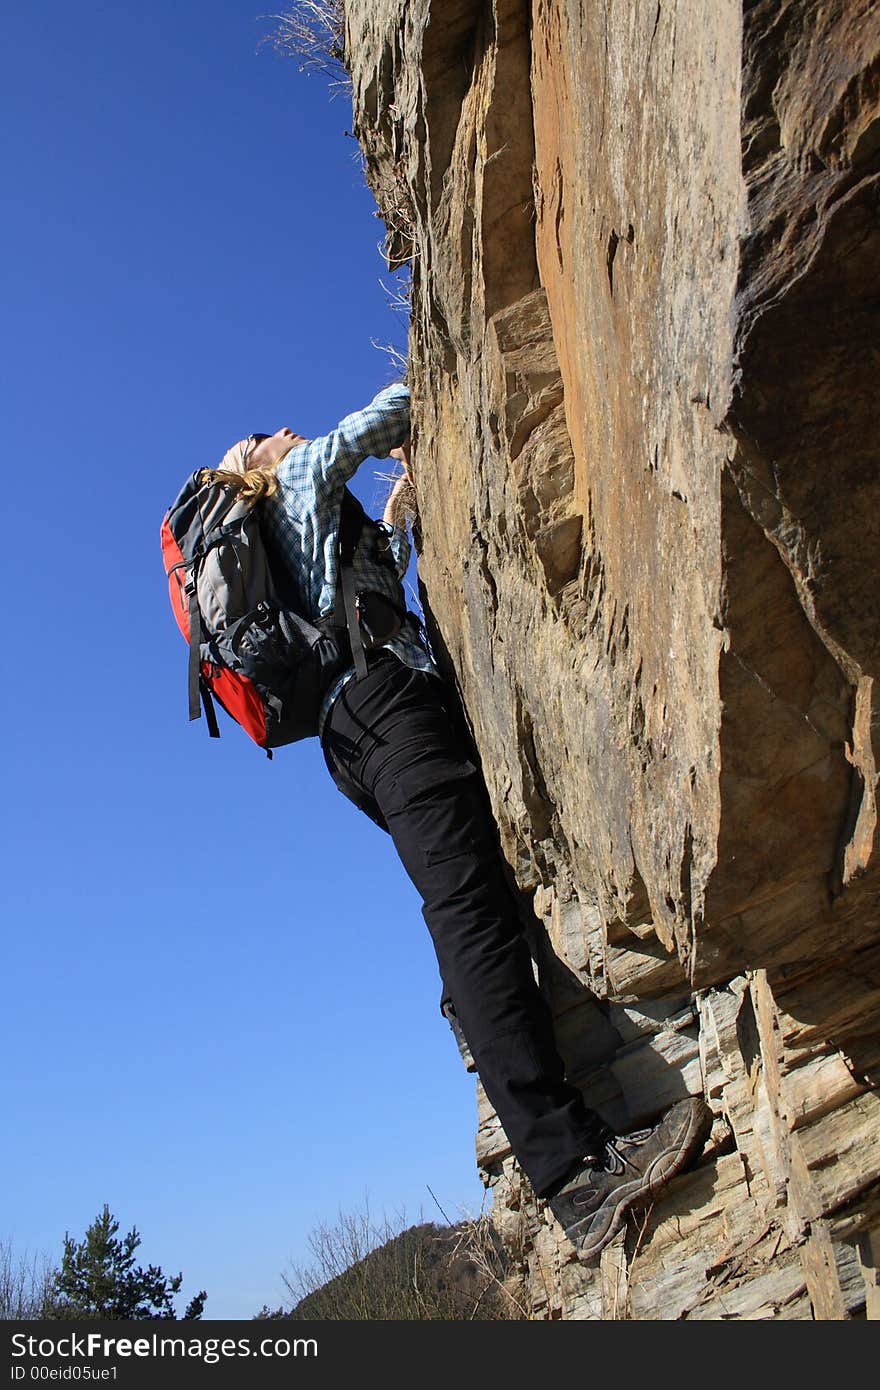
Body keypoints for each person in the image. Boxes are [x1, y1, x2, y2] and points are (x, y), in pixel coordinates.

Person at [205, 380, 711, 1260]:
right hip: (386, 711)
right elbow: (395, 407)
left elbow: (368, 595)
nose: (283, 427)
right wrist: (426, 385)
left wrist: (399, 519)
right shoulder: (295, 486)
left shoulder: (300, 546)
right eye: (263, 436)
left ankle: (469, 1012)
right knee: (467, 909)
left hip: (358, 731)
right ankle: (573, 1177)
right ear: (250, 472)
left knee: (469, 891)